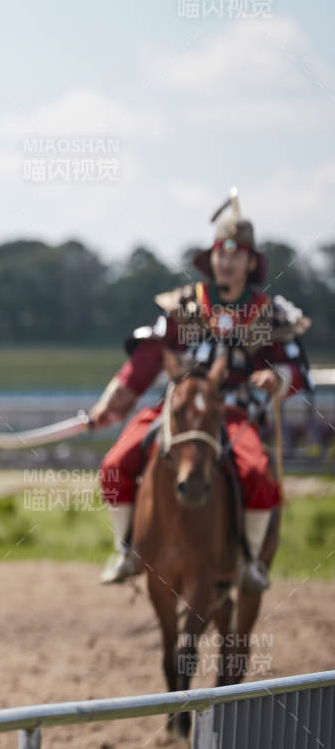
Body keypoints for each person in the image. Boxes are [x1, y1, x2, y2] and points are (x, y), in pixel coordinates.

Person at [91, 191, 312, 589]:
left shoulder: (269, 312)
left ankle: (250, 563)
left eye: (236, 255)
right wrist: (110, 404)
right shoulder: (185, 307)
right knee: (113, 466)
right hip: (177, 410)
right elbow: (144, 363)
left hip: (234, 413)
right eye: (220, 254)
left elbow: (296, 368)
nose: (226, 262)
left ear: (250, 262)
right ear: (211, 258)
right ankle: (127, 550)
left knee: (259, 474)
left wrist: (277, 379)